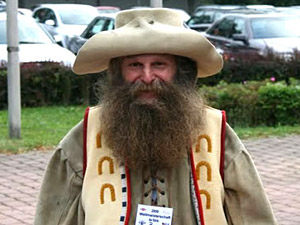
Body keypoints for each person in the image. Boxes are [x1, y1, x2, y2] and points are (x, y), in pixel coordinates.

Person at [34, 8, 277, 225]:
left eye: (159, 64)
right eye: (135, 65)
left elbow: (251, 213)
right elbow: (55, 214)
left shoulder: (216, 132)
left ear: (180, 72)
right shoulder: (86, 135)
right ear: (118, 73)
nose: (147, 77)